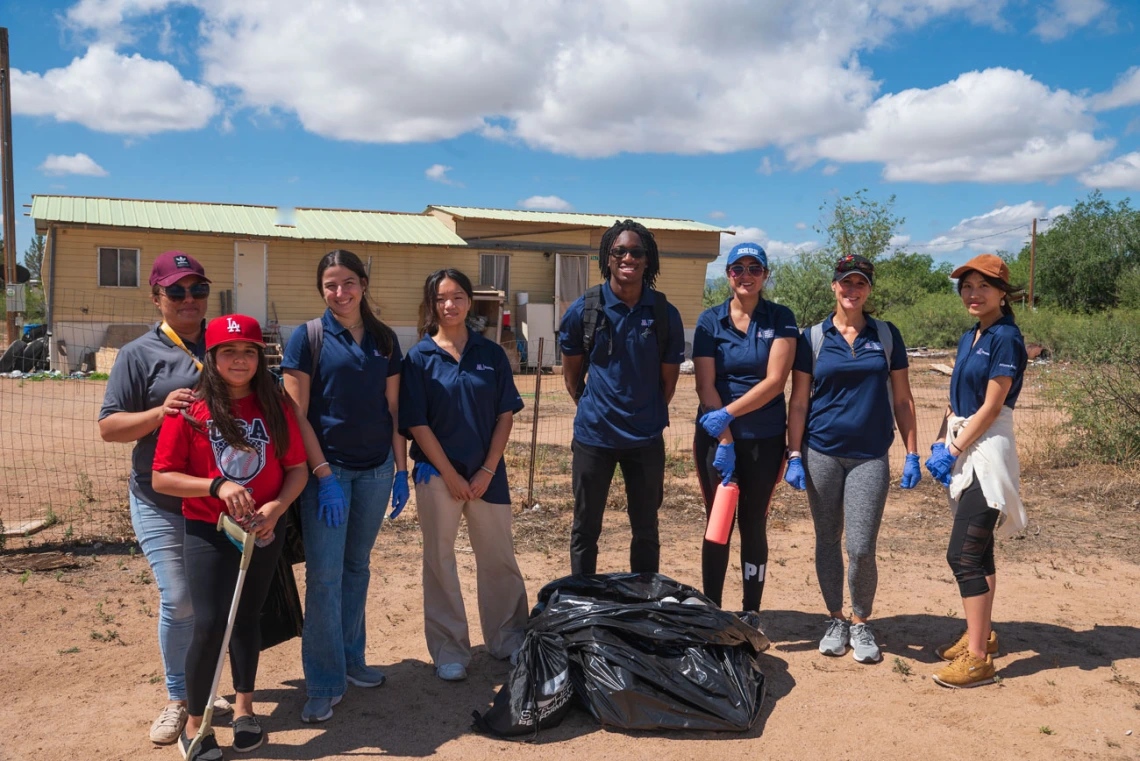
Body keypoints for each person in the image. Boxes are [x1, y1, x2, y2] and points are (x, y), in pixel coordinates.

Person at [152, 314, 308, 760]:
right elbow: (162, 477)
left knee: (248, 617)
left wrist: (276, 509)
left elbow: (295, 468)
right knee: (209, 623)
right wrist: (216, 486)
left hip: (263, 528)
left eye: (249, 352)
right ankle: (197, 725)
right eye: (228, 352)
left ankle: (244, 709)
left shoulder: (275, 405)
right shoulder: (192, 408)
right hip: (209, 528)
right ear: (212, 357)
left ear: (260, 357)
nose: (239, 360)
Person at [98, 251, 234, 744]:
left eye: (197, 290)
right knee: (179, 599)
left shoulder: (226, 343)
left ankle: (205, 690)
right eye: (176, 291)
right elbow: (109, 427)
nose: (188, 300)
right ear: (156, 297)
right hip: (160, 496)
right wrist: (161, 411)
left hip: (219, 497)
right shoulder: (138, 354)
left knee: (214, 602)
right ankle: (178, 697)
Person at [281, 249, 408, 722]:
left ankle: (353, 660)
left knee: (357, 569)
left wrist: (400, 469)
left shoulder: (384, 338)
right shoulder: (308, 338)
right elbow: (295, 414)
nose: (341, 292)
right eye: (331, 284)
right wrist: (322, 476)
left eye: (349, 282)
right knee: (325, 577)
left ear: (363, 284)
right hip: (327, 475)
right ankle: (323, 679)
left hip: (376, 471)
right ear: (322, 289)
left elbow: (394, 409)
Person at [785, 254, 922, 664]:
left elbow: (902, 398)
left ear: (869, 290)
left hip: (869, 456)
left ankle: (862, 622)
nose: (852, 289)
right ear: (834, 286)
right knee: (827, 539)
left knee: (861, 547)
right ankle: (835, 618)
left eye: (860, 283)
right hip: (820, 452)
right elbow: (798, 403)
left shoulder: (885, 335)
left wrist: (911, 452)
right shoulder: (812, 338)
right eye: (845, 282)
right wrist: (794, 453)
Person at [399, 268, 528, 682]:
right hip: (438, 477)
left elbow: (505, 414)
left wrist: (488, 467)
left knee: (499, 559)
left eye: (456, 297)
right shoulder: (418, 358)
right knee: (439, 560)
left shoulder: (490, 354)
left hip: (488, 476)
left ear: (469, 302)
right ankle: (450, 649)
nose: (449, 305)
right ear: (431, 305)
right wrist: (449, 474)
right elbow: (417, 423)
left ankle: (508, 638)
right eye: (440, 299)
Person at [559, 219, 685, 576]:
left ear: (648, 260)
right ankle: (583, 599)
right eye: (620, 251)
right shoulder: (585, 310)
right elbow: (572, 378)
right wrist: (595, 409)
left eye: (636, 251)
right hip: (594, 438)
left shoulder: (664, 314)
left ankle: (642, 601)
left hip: (645, 439)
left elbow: (668, 384)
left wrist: (642, 411)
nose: (628, 257)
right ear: (608, 258)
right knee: (586, 527)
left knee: (646, 528)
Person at [926, 253, 1028, 689]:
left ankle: (979, 660)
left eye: (983, 285)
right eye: (967, 285)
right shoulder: (973, 335)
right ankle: (979, 634)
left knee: (962, 554)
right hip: (963, 443)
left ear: (1003, 293)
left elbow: (991, 406)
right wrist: (938, 441)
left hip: (986, 450)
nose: (973, 293)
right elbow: (957, 400)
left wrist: (953, 448)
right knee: (979, 549)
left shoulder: (1005, 337)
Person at [693, 242, 797, 614]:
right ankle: (712, 610)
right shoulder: (710, 321)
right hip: (716, 441)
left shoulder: (781, 318)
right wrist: (723, 435)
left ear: (765, 275)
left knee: (754, 524)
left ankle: (751, 612)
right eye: (739, 268)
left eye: (755, 269)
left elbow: (775, 380)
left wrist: (729, 415)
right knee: (718, 521)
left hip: (765, 439)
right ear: (728, 275)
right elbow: (705, 385)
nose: (746, 276)